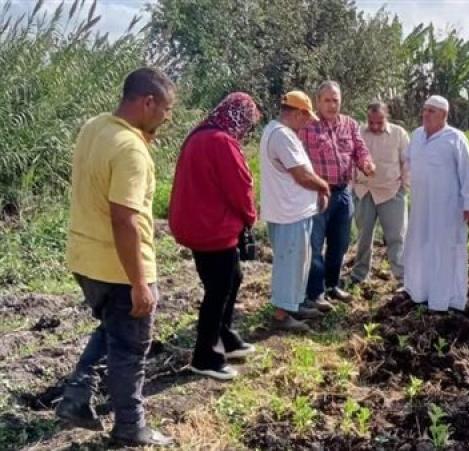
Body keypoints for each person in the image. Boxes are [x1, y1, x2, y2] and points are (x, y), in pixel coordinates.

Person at [57, 68, 175, 446]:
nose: (168, 118)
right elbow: (123, 218)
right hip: (119, 265)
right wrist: (140, 283)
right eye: (166, 109)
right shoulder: (131, 150)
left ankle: (77, 394)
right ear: (147, 103)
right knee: (130, 348)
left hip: (85, 259)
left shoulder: (95, 127)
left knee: (113, 327)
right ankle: (130, 427)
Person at [169, 92, 262, 381]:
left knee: (232, 279)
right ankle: (205, 355)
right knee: (218, 290)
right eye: (248, 123)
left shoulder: (199, 135)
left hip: (196, 224)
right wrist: (250, 218)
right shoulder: (221, 142)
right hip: (213, 228)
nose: (246, 130)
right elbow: (239, 186)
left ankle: (225, 336)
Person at [298, 81, 375, 305]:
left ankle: (332, 285)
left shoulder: (349, 124)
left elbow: (360, 149)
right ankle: (315, 293)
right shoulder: (307, 126)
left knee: (340, 243)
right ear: (318, 102)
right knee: (315, 245)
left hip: (343, 194)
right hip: (317, 193)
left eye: (336, 100)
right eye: (327, 100)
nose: (332, 105)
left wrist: (367, 164)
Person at [261, 91, 331, 332]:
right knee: (289, 263)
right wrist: (324, 187)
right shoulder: (281, 135)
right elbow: (301, 175)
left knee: (300, 260)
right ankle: (281, 315)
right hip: (288, 212)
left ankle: (294, 304)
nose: (307, 123)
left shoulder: (280, 132)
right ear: (298, 113)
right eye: (306, 117)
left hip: (294, 210)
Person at [403, 95, 469, 312]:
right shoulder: (417, 135)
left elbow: (468, 173)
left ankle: (445, 300)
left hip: (447, 209)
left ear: (444, 115)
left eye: (432, 111)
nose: (426, 114)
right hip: (420, 207)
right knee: (419, 246)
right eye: (425, 110)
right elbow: (407, 162)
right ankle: (419, 291)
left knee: (444, 251)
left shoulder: (455, 138)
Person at [351, 101, 410, 286]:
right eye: (371, 122)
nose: (375, 126)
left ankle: (402, 278)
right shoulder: (358, 133)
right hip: (364, 191)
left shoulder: (399, 134)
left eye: (379, 122)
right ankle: (359, 275)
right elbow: (350, 160)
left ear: (387, 117)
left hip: (391, 191)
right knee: (364, 236)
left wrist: (404, 187)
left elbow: (407, 163)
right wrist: (352, 185)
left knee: (397, 237)